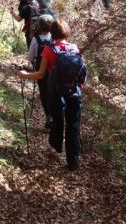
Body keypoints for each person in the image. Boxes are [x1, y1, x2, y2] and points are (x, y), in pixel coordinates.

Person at [18, 19, 86, 171]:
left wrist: (24, 75)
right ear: (66, 32)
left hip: (56, 92)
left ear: (52, 32)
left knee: (57, 120)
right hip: (74, 92)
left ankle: (56, 145)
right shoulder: (74, 48)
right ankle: (73, 162)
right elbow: (81, 72)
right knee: (73, 126)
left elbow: (41, 75)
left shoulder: (48, 50)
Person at [27, 14, 55, 129]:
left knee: (44, 93)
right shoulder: (54, 39)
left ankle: (48, 116)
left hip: (40, 70)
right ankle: (56, 115)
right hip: (53, 69)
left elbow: (30, 57)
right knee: (53, 92)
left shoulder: (35, 39)